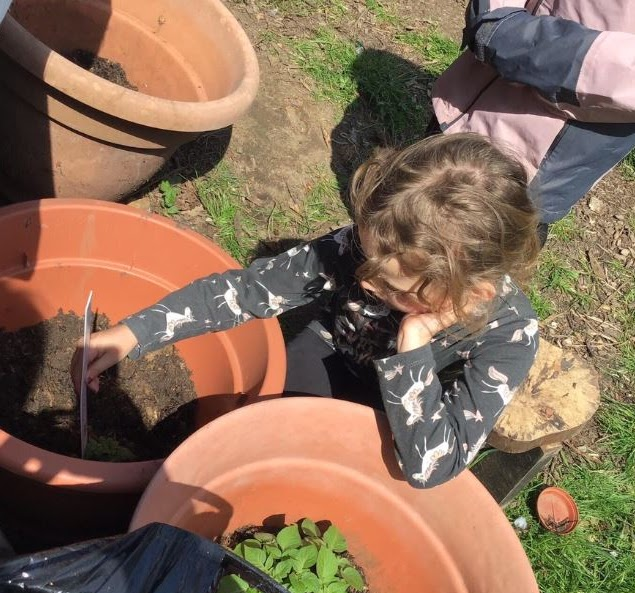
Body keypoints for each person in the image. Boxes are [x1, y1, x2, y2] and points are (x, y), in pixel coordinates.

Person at [71, 133, 540, 489]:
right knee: (254, 435)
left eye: (393, 288)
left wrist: (413, 344)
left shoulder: (509, 336)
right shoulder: (370, 246)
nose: (365, 280)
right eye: (365, 256)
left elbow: (432, 465)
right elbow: (245, 291)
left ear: (469, 294)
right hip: (333, 350)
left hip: (410, 412)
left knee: (323, 484)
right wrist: (135, 333)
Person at [431, 0, 635, 242]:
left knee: (448, 261)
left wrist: (512, 37)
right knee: (395, 221)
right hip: (461, 103)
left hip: (530, 165)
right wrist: (494, 11)